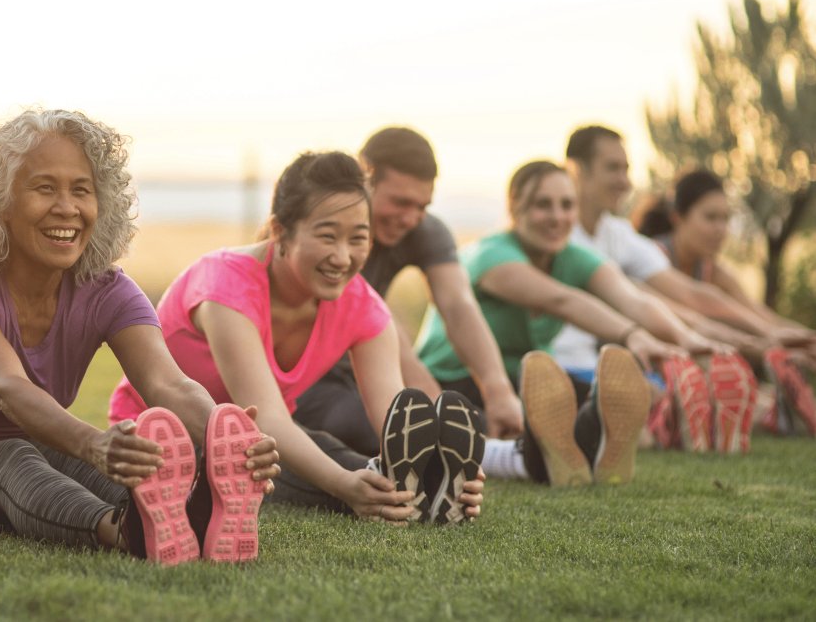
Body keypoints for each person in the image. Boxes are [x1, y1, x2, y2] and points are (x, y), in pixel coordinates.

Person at [0, 108, 280, 566]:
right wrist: (94, 443)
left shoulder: (108, 290)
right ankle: (123, 532)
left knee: (139, 466)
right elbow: (3, 384)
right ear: (0, 201)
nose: (67, 208)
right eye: (44, 188)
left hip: (25, 443)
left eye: (82, 190)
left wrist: (224, 438)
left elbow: (168, 384)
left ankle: (193, 517)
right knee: (11, 459)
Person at [109, 151, 486, 524]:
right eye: (327, 236)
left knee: (332, 454)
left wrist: (432, 463)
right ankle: (399, 496)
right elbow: (268, 419)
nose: (343, 257)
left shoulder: (363, 307)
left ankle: (426, 492)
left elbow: (393, 422)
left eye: (358, 238)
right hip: (164, 436)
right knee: (284, 464)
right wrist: (345, 484)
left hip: (264, 442)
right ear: (280, 231)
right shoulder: (226, 287)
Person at [415, 160, 689, 486]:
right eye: (543, 205)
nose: (557, 217)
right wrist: (632, 335)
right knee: (482, 425)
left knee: (598, 401)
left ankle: (584, 448)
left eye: (567, 205)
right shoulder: (491, 256)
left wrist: (685, 338)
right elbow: (562, 300)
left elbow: (631, 298)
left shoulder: (572, 256)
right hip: (459, 379)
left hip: (533, 381)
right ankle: (562, 450)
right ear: (515, 206)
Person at [294, 127, 521, 458]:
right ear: (364, 176)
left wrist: (497, 389)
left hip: (372, 375)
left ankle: (520, 452)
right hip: (311, 380)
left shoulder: (424, 230)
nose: (411, 218)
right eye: (400, 202)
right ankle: (496, 456)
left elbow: (458, 306)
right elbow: (380, 322)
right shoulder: (329, 233)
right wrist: (433, 406)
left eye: (422, 206)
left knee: (475, 419)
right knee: (362, 425)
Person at [553, 124, 761, 454]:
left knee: (655, 390)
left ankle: (671, 416)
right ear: (576, 170)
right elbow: (644, 301)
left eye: (626, 169)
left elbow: (689, 295)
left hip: (600, 361)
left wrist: (762, 336)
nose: (624, 180)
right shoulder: (556, 236)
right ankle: (664, 420)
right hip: (560, 366)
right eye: (613, 168)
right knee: (648, 400)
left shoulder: (616, 234)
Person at [636, 169, 816, 438]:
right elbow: (691, 316)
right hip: (650, 367)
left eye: (726, 219)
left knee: (752, 399)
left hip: (696, 366)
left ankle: (782, 411)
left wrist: (806, 339)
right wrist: (770, 345)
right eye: (710, 218)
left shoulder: (713, 271)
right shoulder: (651, 259)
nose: (720, 230)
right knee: (742, 401)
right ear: (678, 217)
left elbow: (759, 315)